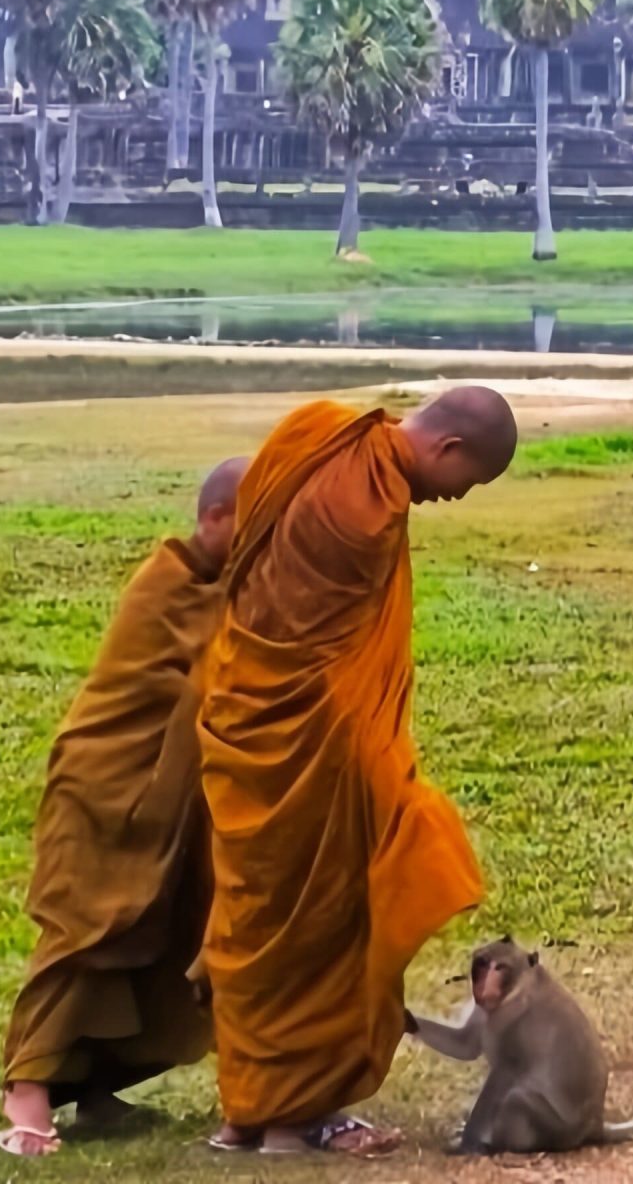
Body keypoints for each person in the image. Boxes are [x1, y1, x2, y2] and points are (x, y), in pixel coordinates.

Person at [197, 386, 518, 1157]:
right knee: (327, 914)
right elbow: (330, 672)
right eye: (465, 483)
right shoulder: (367, 511)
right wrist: (383, 778)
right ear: (448, 450)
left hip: (244, 712)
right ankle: (296, 1117)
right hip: (314, 747)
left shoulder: (318, 427)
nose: (451, 498)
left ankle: (249, 1113)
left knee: (259, 914)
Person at [0, 457, 249, 1159]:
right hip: (104, 786)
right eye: (255, 527)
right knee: (87, 933)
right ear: (217, 517)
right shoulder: (163, 584)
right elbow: (189, 675)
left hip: (169, 798)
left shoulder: (224, 587)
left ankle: (95, 1085)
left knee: (162, 939)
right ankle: (28, 1090)